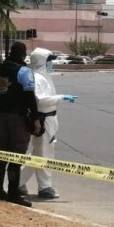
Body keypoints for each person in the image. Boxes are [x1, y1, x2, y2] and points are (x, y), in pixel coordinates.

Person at [19, 48, 78, 199]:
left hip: (49, 119)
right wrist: (61, 97)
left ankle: (18, 182)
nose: (51, 63)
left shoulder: (44, 77)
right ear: (42, 62)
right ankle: (45, 187)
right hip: (43, 119)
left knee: (38, 154)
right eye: (49, 61)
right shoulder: (38, 78)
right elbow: (40, 100)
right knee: (45, 154)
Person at [0, 41, 40, 207]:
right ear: (23, 55)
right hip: (18, 118)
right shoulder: (24, 71)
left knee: (1, 152)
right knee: (16, 154)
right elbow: (29, 97)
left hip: (0, 116)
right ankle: (13, 193)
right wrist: (36, 119)